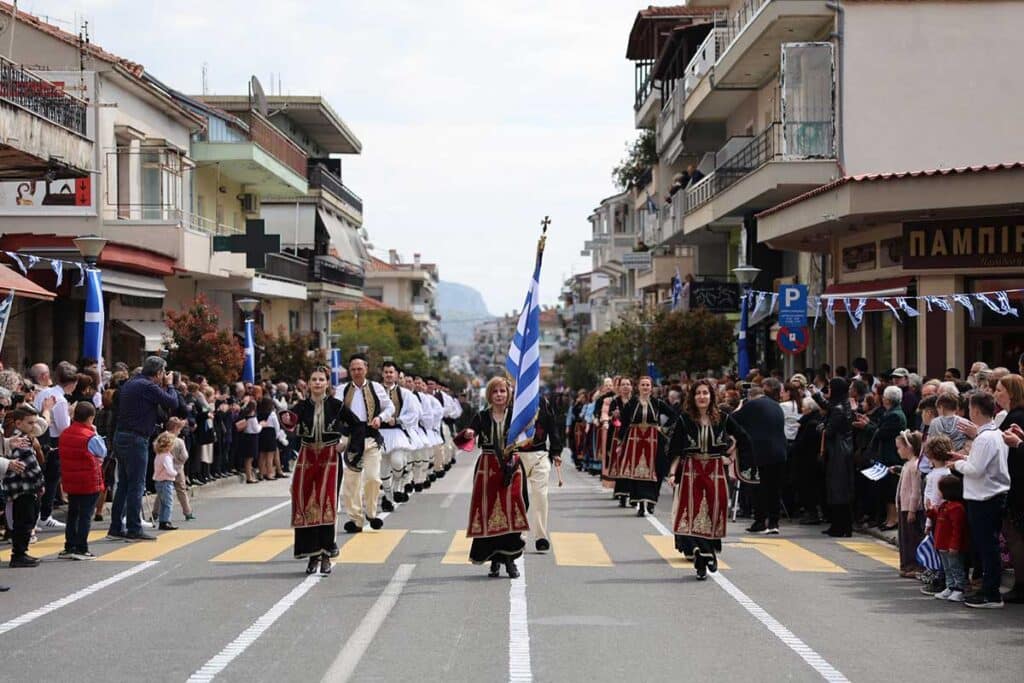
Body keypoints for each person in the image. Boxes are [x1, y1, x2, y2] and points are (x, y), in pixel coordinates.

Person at [667, 379, 751, 580]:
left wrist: (731, 456)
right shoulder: (685, 419)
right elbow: (675, 448)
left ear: (711, 396)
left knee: (713, 512)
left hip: (715, 471)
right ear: (693, 397)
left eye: (705, 393)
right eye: (698, 393)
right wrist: (672, 473)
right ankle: (704, 556)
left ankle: (704, 554)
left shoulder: (722, 417)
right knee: (692, 513)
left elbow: (742, 436)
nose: (702, 396)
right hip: (691, 471)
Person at [289, 367, 364, 575]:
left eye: (321, 379)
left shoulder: (336, 405)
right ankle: (312, 554)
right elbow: (289, 421)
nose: (317, 383)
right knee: (306, 503)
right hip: (307, 458)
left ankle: (326, 554)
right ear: (308, 383)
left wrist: (346, 442)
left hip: (330, 458)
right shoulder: (301, 406)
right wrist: (287, 421)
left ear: (327, 383)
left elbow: (357, 425)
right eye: (314, 379)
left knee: (326, 504)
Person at [108, 357, 182, 542]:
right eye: (163, 373)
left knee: (124, 484)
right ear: (158, 372)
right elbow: (172, 403)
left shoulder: (132, 382)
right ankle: (134, 528)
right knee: (136, 485)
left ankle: (116, 527)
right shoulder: (148, 386)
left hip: (121, 435)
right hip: (136, 438)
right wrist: (170, 385)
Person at [948, 392, 1009, 608]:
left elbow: (975, 469)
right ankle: (988, 589)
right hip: (991, 495)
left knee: (987, 547)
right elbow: (981, 463)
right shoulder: (995, 433)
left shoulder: (984, 438)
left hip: (984, 497)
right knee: (987, 545)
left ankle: (991, 593)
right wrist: (964, 458)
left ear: (975, 410)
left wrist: (957, 465)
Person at [464, 377, 529, 578]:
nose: (499, 395)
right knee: (489, 513)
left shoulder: (516, 416)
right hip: (488, 469)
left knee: (513, 510)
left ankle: (509, 560)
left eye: (502, 391)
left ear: (508, 394)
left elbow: (528, 436)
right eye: (495, 391)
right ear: (489, 395)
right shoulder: (481, 416)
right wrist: (469, 433)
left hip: (511, 468)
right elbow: (468, 437)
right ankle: (494, 559)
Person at [335, 354, 394, 533]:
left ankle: (371, 512)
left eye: (359, 369)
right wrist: (339, 438)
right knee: (351, 481)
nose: (357, 372)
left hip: (370, 436)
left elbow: (390, 407)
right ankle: (356, 519)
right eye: (353, 369)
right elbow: (335, 412)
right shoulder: (342, 389)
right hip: (351, 438)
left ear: (366, 369)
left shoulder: (376, 387)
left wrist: (380, 418)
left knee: (373, 478)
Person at [734, 380, 788, 535]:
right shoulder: (775, 405)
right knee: (774, 489)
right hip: (780, 451)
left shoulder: (752, 405)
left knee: (759, 488)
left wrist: (740, 406)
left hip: (762, 453)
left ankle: (760, 522)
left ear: (750, 397)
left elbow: (732, 419)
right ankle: (774, 523)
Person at [615, 376, 674, 516]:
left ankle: (652, 500)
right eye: (643, 385)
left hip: (654, 441)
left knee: (657, 470)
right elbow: (624, 424)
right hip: (635, 442)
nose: (645, 387)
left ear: (651, 387)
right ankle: (641, 504)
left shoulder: (657, 403)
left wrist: (663, 428)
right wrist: (620, 443)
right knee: (638, 473)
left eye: (648, 385)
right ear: (638, 387)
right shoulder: (631, 403)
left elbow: (674, 415)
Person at [57, 401, 107, 560]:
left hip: (71, 479)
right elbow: (102, 451)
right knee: (85, 515)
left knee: (73, 514)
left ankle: (69, 546)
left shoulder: (65, 433)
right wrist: (95, 432)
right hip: (88, 480)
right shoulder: (90, 436)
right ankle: (81, 548)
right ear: (91, 418)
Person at [31, 361, 77, 530]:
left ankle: (37, 514)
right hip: (53, 442)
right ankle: (44, 515)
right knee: (51, 480)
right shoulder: (61, 400)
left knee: (39, 479)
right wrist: (70, 414)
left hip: (40, 437)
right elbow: (64, 428)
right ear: (72, 383)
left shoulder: (44, 392)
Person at [517, 393, 562, 552]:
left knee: (541, 495)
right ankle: (519, 536)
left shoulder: (543, 402)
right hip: (517, 455)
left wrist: (556, 451)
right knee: (519, 497)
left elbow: (552, 426)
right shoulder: (512, 400)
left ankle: (541, 536)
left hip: (540, 454)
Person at [2, 408, 47, 567]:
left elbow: (42, 426)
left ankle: (21, 552)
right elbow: (31, 466)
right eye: (30, 423)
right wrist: (41, 482)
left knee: (27, 520)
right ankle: (19, 555)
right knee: (24, 521)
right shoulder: (20, 440)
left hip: (24, 486)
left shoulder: (22, 436)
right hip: (23, 487)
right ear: (18, 423)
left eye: (34, 422)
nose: (34, 426)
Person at [814, 378, 856, 537]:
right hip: (844, 450)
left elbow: (829, 431)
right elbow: (828, 406)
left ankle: (840, 526)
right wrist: (816, 395)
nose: (828, 391)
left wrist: (821, 428)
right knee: (841, 490)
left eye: (830, 388)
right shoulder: (844, 404)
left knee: (837, 489)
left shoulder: (838, 409)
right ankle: (841, 526)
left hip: (838, 452)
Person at [997, 373, 1024, 603]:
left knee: (1016, 536)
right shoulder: (1014, 416)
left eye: (999, 390)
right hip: (1014, 482)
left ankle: (1021, 585)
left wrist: (1019, 443)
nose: (996, 394)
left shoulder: (1017, 415)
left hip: (1018, 484)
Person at [378, 362, 420, 508]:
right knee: (383, 468)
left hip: (396, 432)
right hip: (380, 433)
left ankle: (397, 485)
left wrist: (397, 420)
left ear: (396, 375)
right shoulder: (376, 391)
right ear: (382, 374)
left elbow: (413, 414)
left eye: (391, 372)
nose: (389, 375)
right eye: (386, 372)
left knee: (397, 462)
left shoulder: (404, 394)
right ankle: (388, 497)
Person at [870, 386, 907, 531]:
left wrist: (867, 426)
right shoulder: (891, 413)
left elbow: (881, 433)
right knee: (886, 490)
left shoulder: (894, 415)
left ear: (887, 399)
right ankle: (888, 518)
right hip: (887, 456)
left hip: (891, 457)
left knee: (891, 490)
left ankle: (893, 519)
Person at [928, 475, 969, 602]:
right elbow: (938, 518)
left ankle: (959, 588)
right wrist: (930, 511)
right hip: (942, 543)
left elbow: (957, 529)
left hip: (950, 545)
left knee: (955, 567)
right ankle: (950, 586)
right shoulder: (944, 505)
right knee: (947, 568)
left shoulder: (957, 508)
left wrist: (954, 545)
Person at [893, 430, 924, 578]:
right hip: (903, 506)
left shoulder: (915, 466)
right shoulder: (907, 465)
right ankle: (906, 564)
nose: (898, 451)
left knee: (912, 537)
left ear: (909, 447)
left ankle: (914, 565)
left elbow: (915, 491)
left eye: (899, 447)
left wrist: (912, 510)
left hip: (910, 508)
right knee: (904, 538)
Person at [150, 418, 194, 524]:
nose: (180, 432)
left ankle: (155, 513)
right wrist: (179, 462)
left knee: (161, 493)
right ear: (175, 428)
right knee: (181, 490)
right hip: (177, 469)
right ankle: (187, 512)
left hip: (162, 470)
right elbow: (185, 456)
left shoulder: (161, 438)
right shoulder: (179, 441)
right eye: (179, 429)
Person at [152, 432, 179, 532]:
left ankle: (163, 521)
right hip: (166, 481)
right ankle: (166, 521)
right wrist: (175, 473)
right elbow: (169, 470)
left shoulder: (159, 455)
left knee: (163, 502)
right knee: (168, 503)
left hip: (158, 481)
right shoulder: (166, 457)